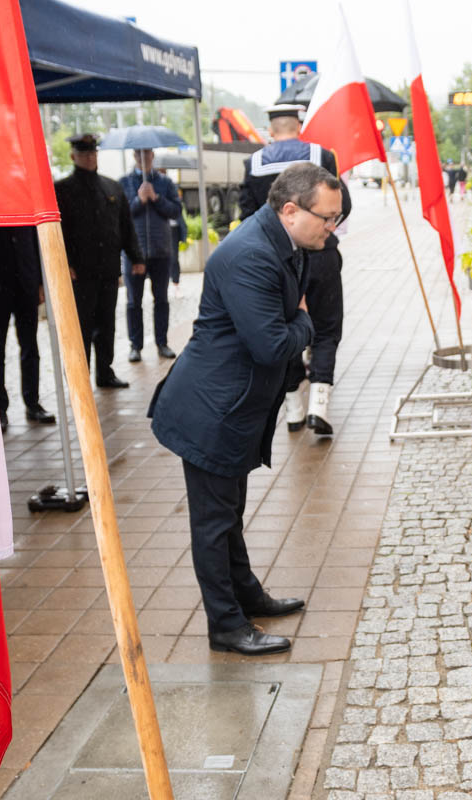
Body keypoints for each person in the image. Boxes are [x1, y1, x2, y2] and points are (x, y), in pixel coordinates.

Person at [150, 162, 344, 655]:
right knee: (213, 523)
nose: (332, 228)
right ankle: (226, 625)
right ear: (291, 210)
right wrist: (304, 322)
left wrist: (298, 319)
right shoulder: (251, 255)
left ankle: (247, 595)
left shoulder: (287, 242)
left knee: (229, 513)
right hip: (210, 410)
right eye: (327, 218)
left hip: (233, 406)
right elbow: (272, 344)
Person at [239, 104, 351, 436]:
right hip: (321, 257)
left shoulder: (253, 163)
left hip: (278, 261)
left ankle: (293, 408)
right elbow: (343, 204)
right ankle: (320, 404)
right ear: (298, 126)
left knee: (284, 327)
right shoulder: (321, 154)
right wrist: (326, 229)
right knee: (327, 327)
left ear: (271, 130)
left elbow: (246, 213)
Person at [54, 133, 144, 389]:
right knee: (81, 326)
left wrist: (136, 257)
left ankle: (105, 372)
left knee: (106, 325)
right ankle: (80, 376)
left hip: (107, 270)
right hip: (79, 273)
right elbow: (58, 233)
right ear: (73, 156)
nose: (90, 158)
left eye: (93, 153)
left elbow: (126, 227)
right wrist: (65, 263)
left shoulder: (112, 187)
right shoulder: (63, 190)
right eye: (84, 154)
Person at [0, 226, 55, 430]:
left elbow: (35, 240)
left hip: (26, 283)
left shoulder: (23, 199)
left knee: (30, 348)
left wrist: (41, 282)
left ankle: (33, 403)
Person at [121, 148, 181, 362]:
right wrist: (139, 200)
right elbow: (122, 214)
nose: (143, 158)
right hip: (134, 252)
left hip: (160, 250)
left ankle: (162, 342)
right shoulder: (125, 182)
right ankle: (135, 345)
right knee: (133, 302)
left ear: (152, 156)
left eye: (147, 154)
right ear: (134, 156)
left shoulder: (165, 182)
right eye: (139, 154)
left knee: (161, 299)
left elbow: (175, 211)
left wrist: (155, 198)